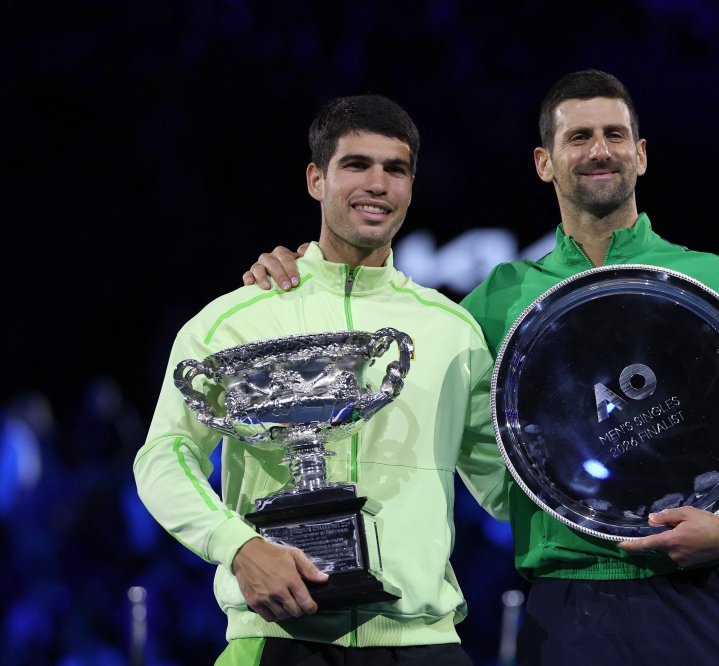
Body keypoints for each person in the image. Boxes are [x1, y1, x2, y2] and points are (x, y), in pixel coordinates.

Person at [245, 71, 719, 666]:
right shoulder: (497, 302)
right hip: (567, 613)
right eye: (579, 137)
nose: (599, 150)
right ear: (544, 163)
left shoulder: (715, 281)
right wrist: (311, 273)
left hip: (706, 599)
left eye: (614, 135)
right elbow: (382, 340)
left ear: (640, 155)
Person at [136, 95, 507, 666]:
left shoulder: (452, 330)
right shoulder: (236, 319)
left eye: (396, 169)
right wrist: (238, 547)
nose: (377, 184)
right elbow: (163, 456)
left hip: (422, 643)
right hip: (276, 639)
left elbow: (503, 488)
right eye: (356, 165)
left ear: (411, 187)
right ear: (316, 179)